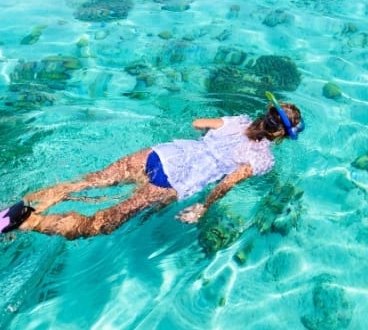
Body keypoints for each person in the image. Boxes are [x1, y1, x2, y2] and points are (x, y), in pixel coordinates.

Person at [15, 95, 304, 240]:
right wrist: (202, 207)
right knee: (101, 224)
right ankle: (33, 222)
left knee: (89, 182)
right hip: (173, 181)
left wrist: (210, 142)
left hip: (161, 154)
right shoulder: (263, 159)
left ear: (267, 113)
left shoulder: (238, 121)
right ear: (280, 135)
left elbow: (198, 124)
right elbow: (227, 183)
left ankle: (31, 202)